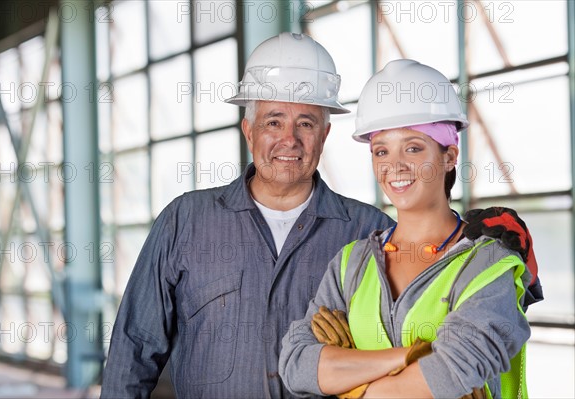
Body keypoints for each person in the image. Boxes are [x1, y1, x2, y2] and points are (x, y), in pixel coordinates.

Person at [101, 32, 538, 398]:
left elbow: (439, 346)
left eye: (306, 123)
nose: (289, 139)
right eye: (273, 121)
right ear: (248, 129)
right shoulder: (186, 221)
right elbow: (135, 347)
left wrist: (352, 371)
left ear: (325, 134)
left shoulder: (368, 232)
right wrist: (396, 362)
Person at [279, 59, 538, 398]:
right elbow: (296, 365)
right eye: (381, 151)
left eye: (413, 148)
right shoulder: (350, 264)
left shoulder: (488, 263)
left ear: (449, 156)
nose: (395, 166)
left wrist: (349, 381)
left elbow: (450, 372)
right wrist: (409, 357)